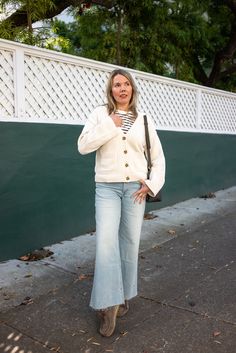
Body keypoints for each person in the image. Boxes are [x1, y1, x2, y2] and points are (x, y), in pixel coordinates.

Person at [78, 68, 165, 337]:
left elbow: (158, 158)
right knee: (106, 243)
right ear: (111, 89)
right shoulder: (99, 115)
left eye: (127, 84)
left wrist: (150, 184)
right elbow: (83, 146)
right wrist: (110, 124)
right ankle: (108, 305)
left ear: (133, 89)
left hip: (135, 191)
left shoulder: (145, 119)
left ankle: (124, 295)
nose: (122, 88)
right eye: (117, 84)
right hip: (107, 188)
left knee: (129, 243)